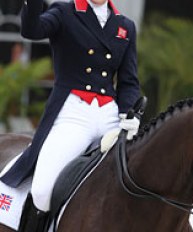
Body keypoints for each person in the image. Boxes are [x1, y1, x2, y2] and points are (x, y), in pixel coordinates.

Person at [0, 0, 141, 231]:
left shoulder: (125, 25)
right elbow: (31, 30)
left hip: (110, 116)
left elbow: (129, 81)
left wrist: (129, 113)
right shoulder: (65, 12)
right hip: (74, 113)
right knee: (43, 190)